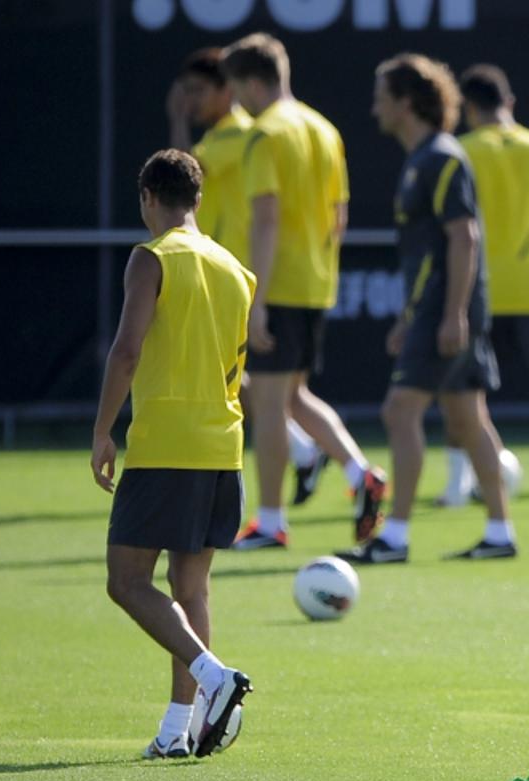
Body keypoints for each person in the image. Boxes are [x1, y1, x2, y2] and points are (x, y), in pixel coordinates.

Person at [92, 149, 254, 759]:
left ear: (147, 199)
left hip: (167, 444)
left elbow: (127, 350)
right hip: (224, 445)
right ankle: (177, 732)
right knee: (191, 587)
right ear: (199, 200)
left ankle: (215, 678)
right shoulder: (234, 267)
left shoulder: (151, 257)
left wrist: (103, 430)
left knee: (126, 581)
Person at [339, 53, 516, 564]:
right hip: (437, 308)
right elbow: (430, 253)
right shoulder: (423, 158)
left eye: (381, 97)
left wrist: (453, 314)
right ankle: (501, 533)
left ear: (406, 102)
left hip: (449, 308)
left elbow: (465, 237)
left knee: (400, 411)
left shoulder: (441, 157)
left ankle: (394, 537)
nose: (375, 108)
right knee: (465, 414)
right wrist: (410, 315)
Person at [219, 33, 385, 550]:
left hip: (280, 285)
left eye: (236, 89)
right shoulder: (324, 128)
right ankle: (360, 474)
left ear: (251, 82)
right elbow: (339, 217)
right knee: (292, 396)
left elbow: (265, 220)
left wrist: (259, 299)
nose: (236, 102)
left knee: (268, 405)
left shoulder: (265, 133)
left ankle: (270, 522)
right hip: (314, 282)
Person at [165, 46, 328, 507]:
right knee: (250, 387)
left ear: (231, 90)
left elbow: (178, 180)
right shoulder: (240, 134)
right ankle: (309, 454)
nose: (193, 101)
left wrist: (257, 295)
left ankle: (277, 501)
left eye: (202, 90)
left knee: (260, 392)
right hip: (248, 276)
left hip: (245, 277)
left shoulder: (245, 135)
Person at [432, 64, 529, 511]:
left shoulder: (458, 151)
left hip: (475, 289)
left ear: (468, 108)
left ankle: (456, 485)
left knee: (460, 390)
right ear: (509, 103)